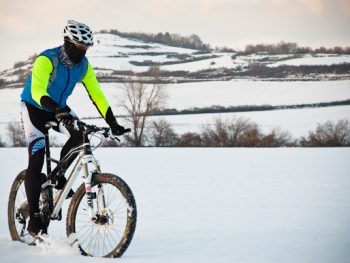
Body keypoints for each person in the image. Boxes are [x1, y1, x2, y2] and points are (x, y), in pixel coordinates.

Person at [20, 20, 129, 236]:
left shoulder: (84, 66)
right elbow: (37, 91)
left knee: (81, 135)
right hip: (34, 106)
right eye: (79, 48)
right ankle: (33, 215)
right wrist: (57, 110)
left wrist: (113, 122)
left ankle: (57, 177)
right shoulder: (47, 59)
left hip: (58, 108)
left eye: (85, 49)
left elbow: (96, 94)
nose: (82, 53)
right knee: (37, 155)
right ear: (67, 42)